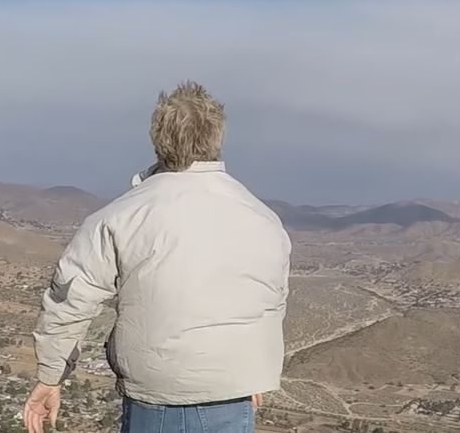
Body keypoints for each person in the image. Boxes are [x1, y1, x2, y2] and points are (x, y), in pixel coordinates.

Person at [22, 81, 292, 433]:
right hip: (234, 393)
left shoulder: (121, 216)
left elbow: (70, 298)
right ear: (217, 138)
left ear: (158, 140)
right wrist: (248, 374)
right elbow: (270, 301)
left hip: (159, 396)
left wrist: (51, 376)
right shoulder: (262, 218)